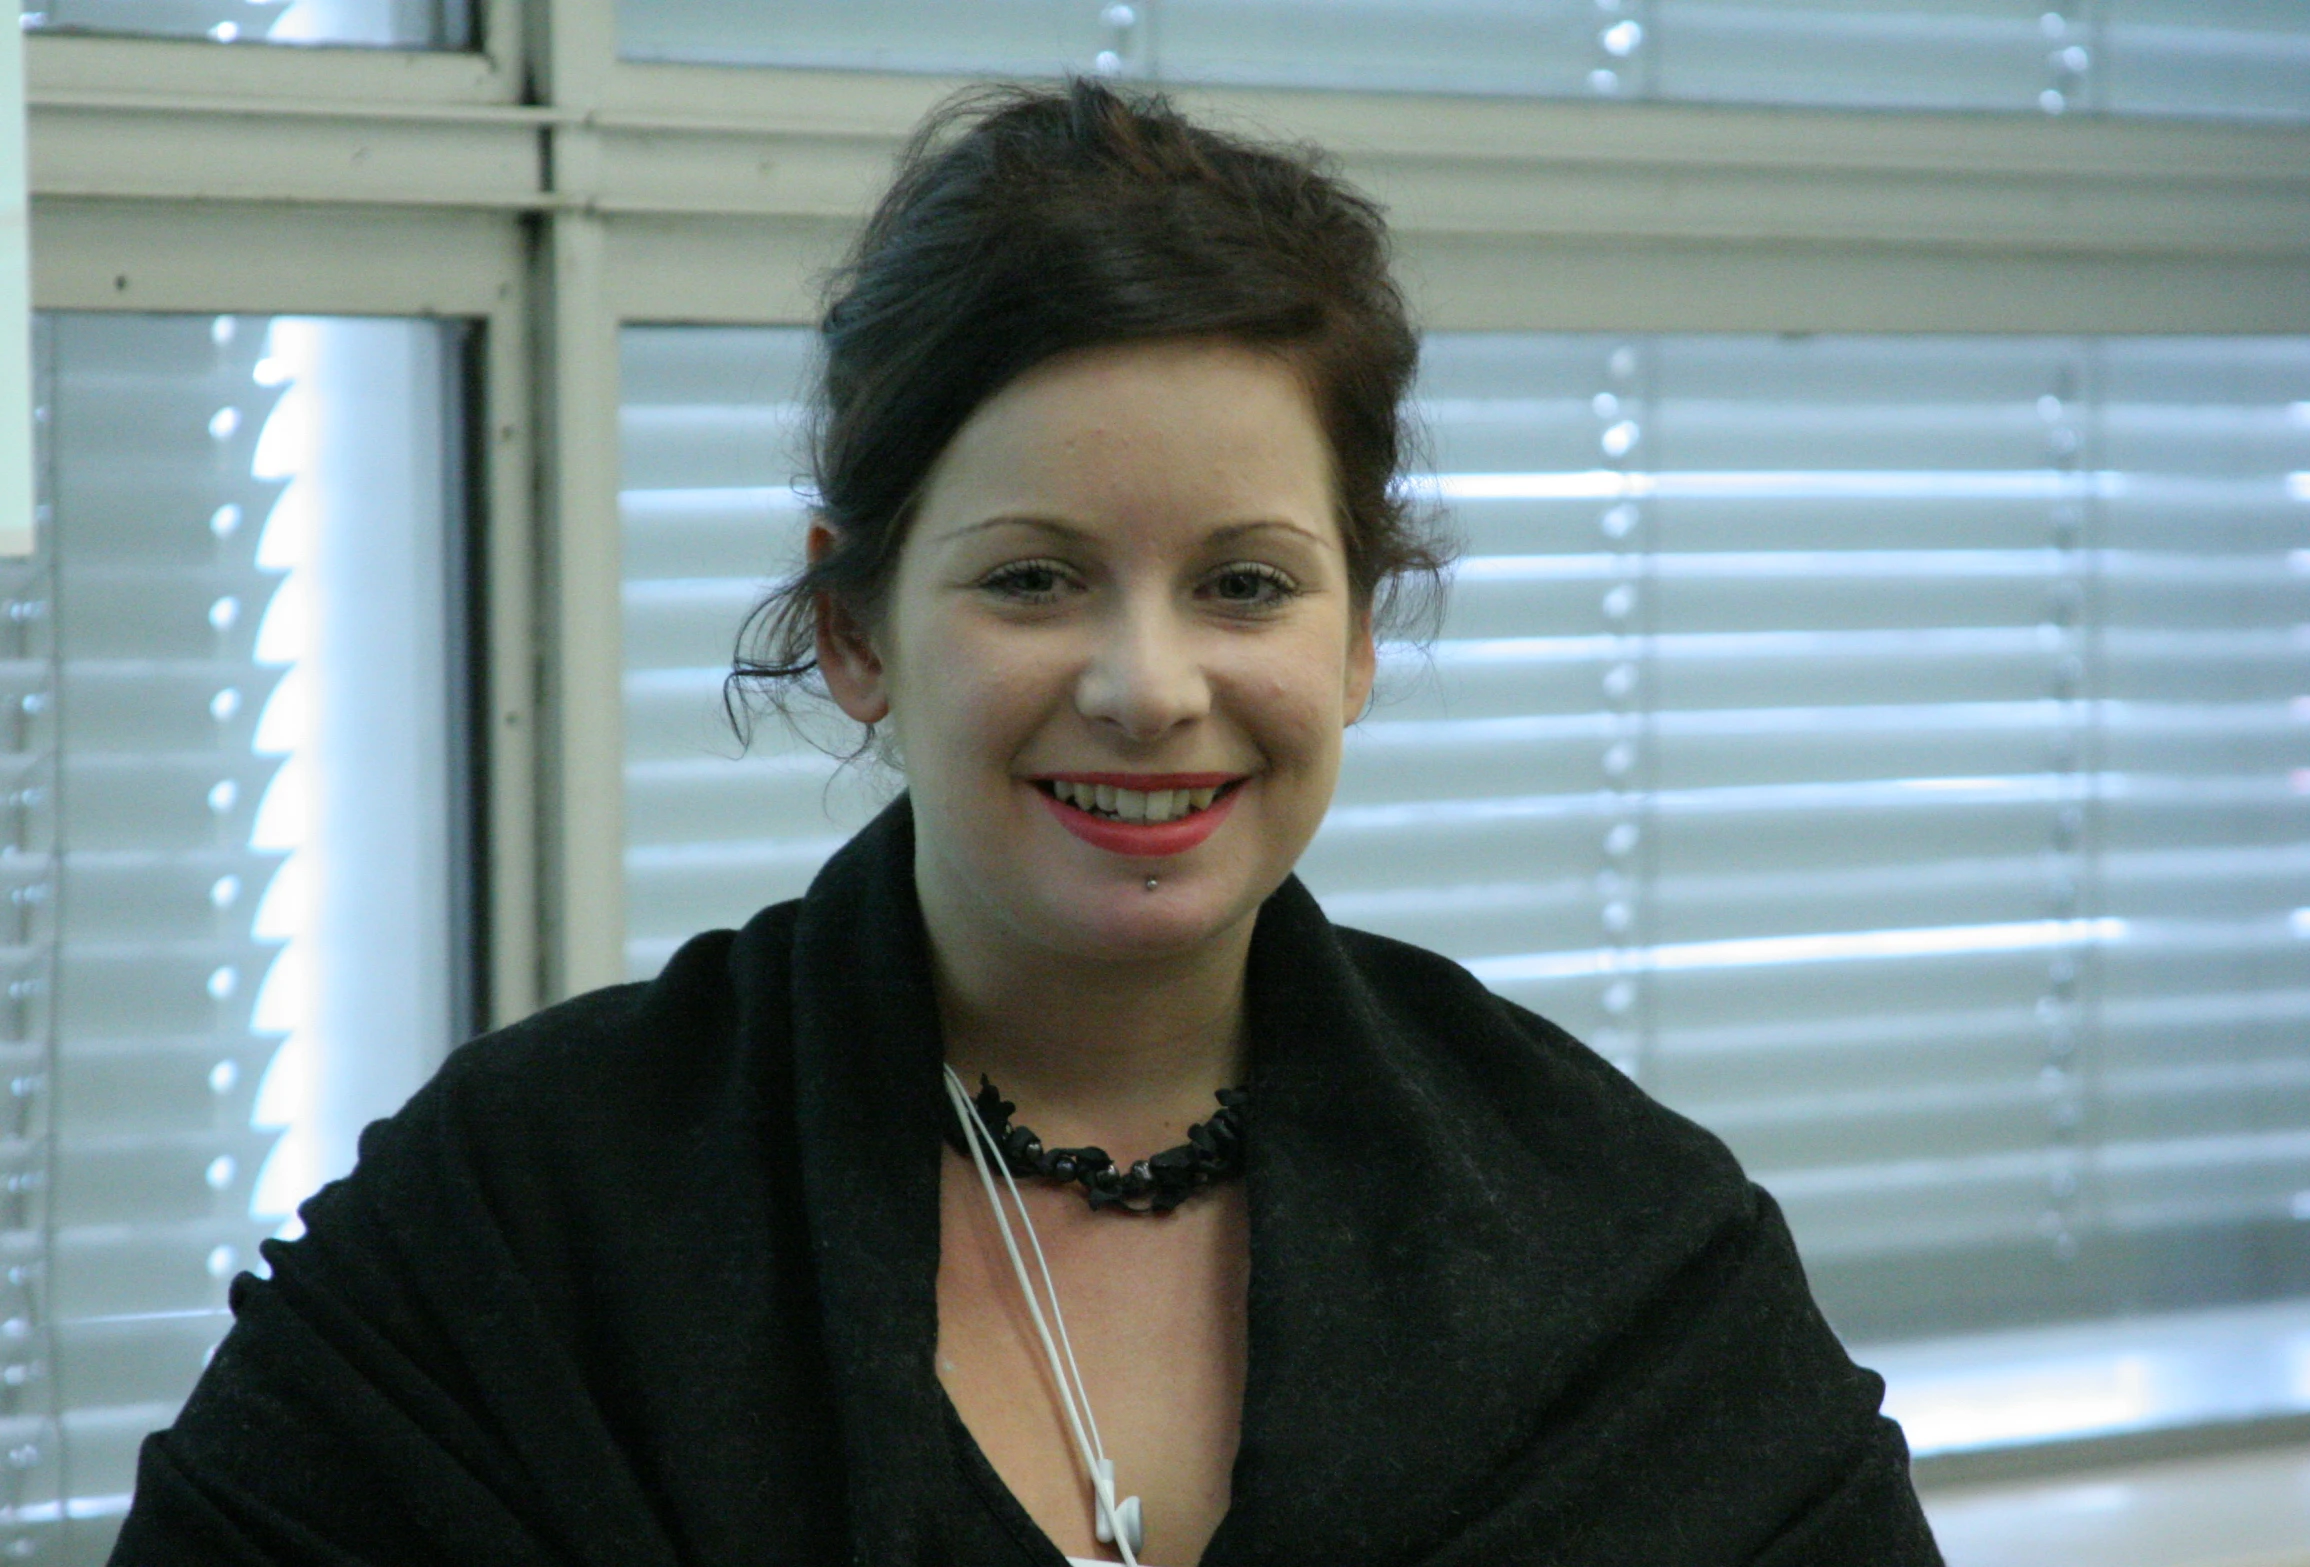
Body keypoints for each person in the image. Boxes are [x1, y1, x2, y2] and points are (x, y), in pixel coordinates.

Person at [111, 80, 1942, 1567]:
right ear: (854, 633)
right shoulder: (525, 1219)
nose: (1148, 685)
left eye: (1243, 583)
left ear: (1362, 635)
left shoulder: (1613, 1233)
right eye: (1036, 578)